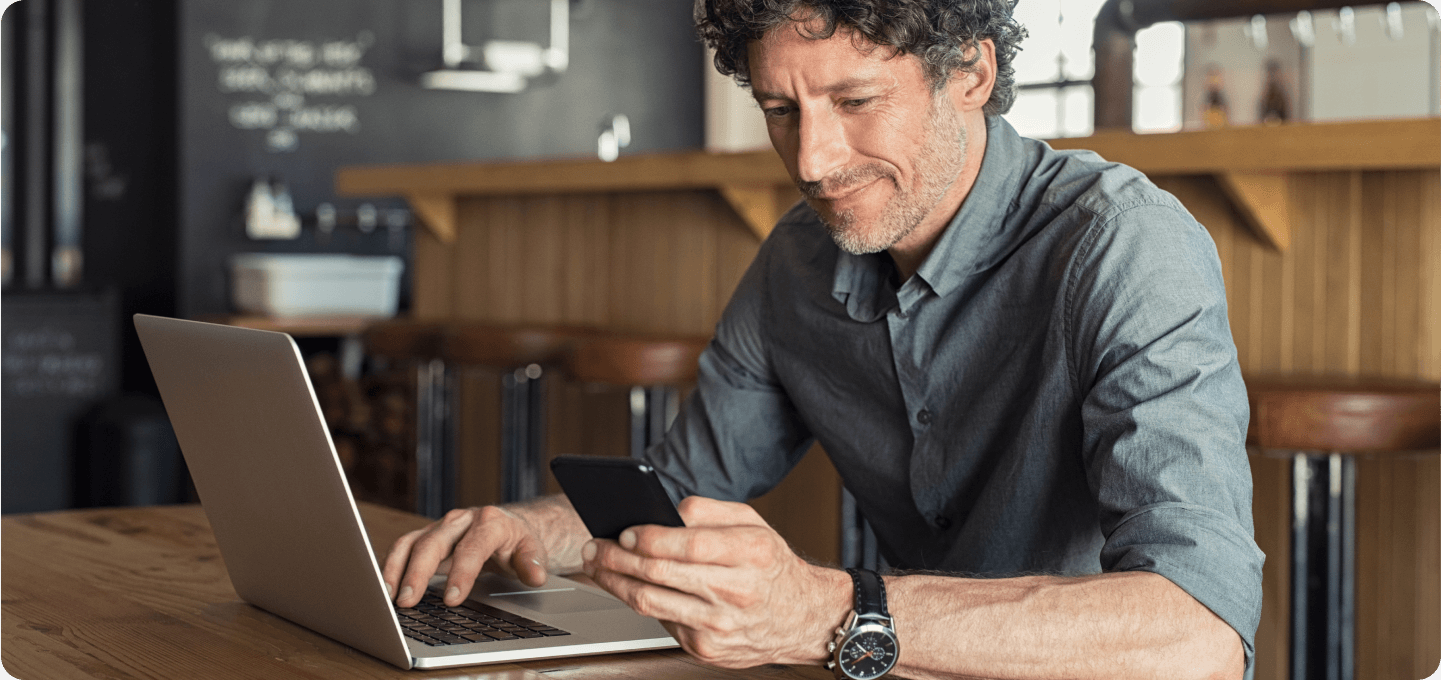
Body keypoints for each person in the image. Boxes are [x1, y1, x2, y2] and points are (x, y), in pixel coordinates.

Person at [383, 2, 1263, 678]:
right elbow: (680, 490)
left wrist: (825, 613)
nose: (809, 160)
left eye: (854, 100)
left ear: (970, 73)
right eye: (779, 108)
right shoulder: (800, 259)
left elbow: (1198, 634)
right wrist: (517, 525)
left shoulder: (1125, 245)